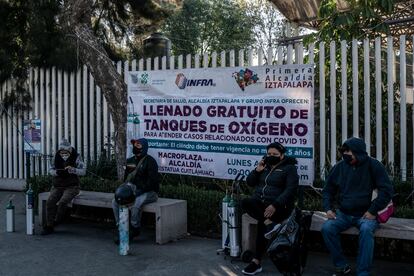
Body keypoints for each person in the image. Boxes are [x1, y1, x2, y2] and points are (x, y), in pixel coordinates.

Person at [322, 137, 393, 276]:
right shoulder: (339, 167)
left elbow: (387, 191)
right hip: (343, 214)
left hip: (366, 215)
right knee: (327, 228)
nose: (346, 154)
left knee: (366, 230)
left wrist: (373, 211)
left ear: (359, 152)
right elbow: (327, 190)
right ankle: (341, 266)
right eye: (344, 151)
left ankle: (363, 272)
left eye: (349, 151)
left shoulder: (374, 165)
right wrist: (328, 208)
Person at [241, 142, 299, 275]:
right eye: (269, 154)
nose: (271, 156)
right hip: (261, 207)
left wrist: (275, 205)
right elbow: (250, 182)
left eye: (275, 154)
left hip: (280, 207)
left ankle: (256, 262)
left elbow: (291, 189)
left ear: (282, 155)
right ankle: (271, 224)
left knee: (263, 222)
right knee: (245, 202)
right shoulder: (264, 167)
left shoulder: (290, 168)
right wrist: (257, 170)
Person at [112, 138, 159, 244]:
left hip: (150, 192)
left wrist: (139, 191)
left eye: (138, 145)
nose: (135, 147)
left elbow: (152, 182)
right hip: (132, 189)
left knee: (136, 204)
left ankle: (135, 228)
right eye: (134, 145)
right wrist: (124, 190)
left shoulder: (150, 162)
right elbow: (126, 179)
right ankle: (121, 227)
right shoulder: (130, 161)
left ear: (144, 148)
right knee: (115, 202)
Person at [41, 139, 86, 235]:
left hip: (72, 186)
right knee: (50, 202)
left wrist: (73, 170)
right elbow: (50, 169)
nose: (63, 153)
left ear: (70, 150)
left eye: (66, 151)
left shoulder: (77, 157)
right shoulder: (56, 156)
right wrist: (55, 172)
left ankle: (57, 221)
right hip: (57, 185)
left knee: (63, 202)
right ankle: (49, 226)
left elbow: (83, 171)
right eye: (62, 151)